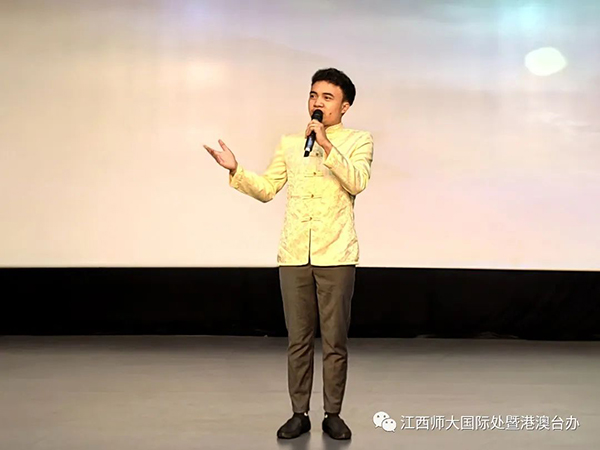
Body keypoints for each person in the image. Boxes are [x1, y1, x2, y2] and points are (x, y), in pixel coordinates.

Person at [204, 68, 374, 440]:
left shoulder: (358, 140)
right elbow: (268, 189)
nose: (317, 103)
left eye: (327, 97)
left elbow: (357, 181)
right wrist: (236, 170)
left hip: (336, 253)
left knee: (334, 341)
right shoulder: (291, 143)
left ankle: (333, 414)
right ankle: (299, 413)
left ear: (345, 106)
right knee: (298, 340)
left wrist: (326, 145)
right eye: (313, 95)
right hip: (294, 254)